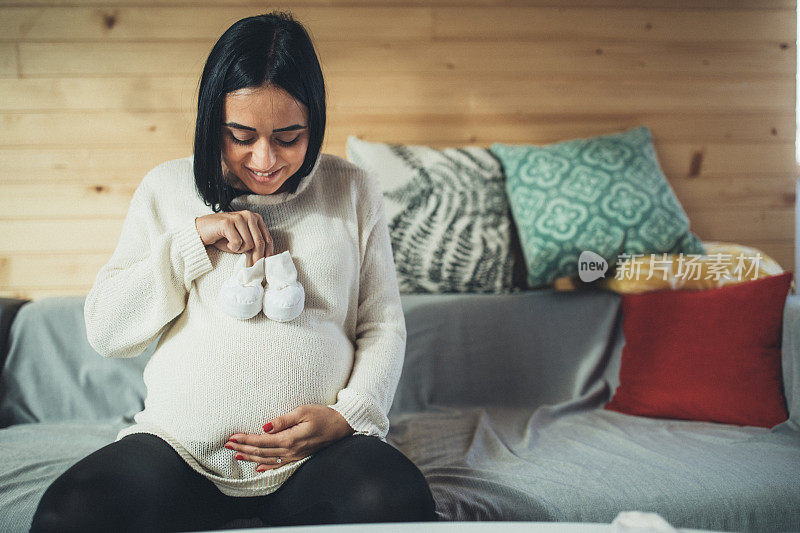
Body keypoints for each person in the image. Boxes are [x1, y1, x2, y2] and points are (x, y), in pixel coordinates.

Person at [30, 11, 436, 532]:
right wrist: (189, 242)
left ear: (314, 121)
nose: (263, 159)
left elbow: (381, 324)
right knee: (70, 514)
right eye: (241, 136)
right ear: (211, 124)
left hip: (313, 463)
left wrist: (349, 416)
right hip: (179, 452)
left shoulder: (352, 189)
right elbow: (108, 332)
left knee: (394, 501)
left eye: (289, 137)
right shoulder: (165, 189)